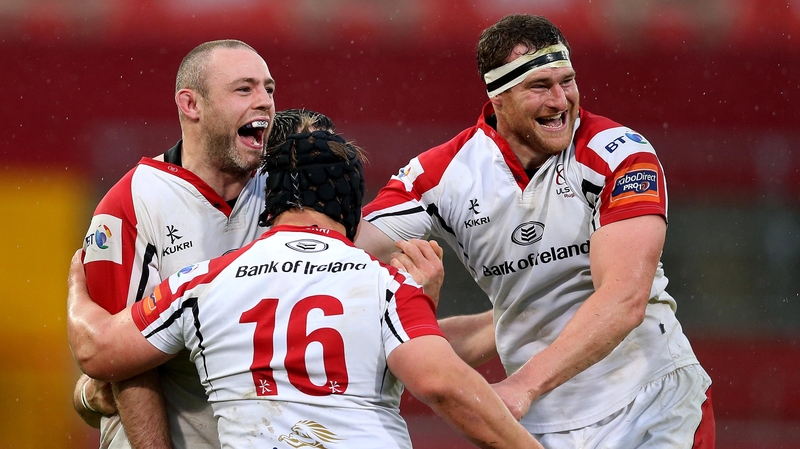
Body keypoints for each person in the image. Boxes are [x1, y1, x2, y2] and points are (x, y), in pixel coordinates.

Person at [356, 13, 716, 448]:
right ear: (498, 97)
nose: (561, 100)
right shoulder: (440, 175)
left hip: (651, 404)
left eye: (567, 81)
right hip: (541, 423)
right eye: (540, 87)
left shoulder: (619, 153)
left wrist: (522, 386)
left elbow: (625, 298)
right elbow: (347, 256)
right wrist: (413, 307)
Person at [68, 130, 544, 449]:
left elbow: (98, 348)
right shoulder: (386, 284)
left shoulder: (201, 282)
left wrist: (78, 295)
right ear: (352, 205)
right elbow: (441, 382)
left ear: (270, 205)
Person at [71, 39, 282, 449]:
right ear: (191, 104)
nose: (265, 102)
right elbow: (123, 363)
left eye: (269, 89)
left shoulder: (288, 190)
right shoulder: (129, 204)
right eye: (245, 89)